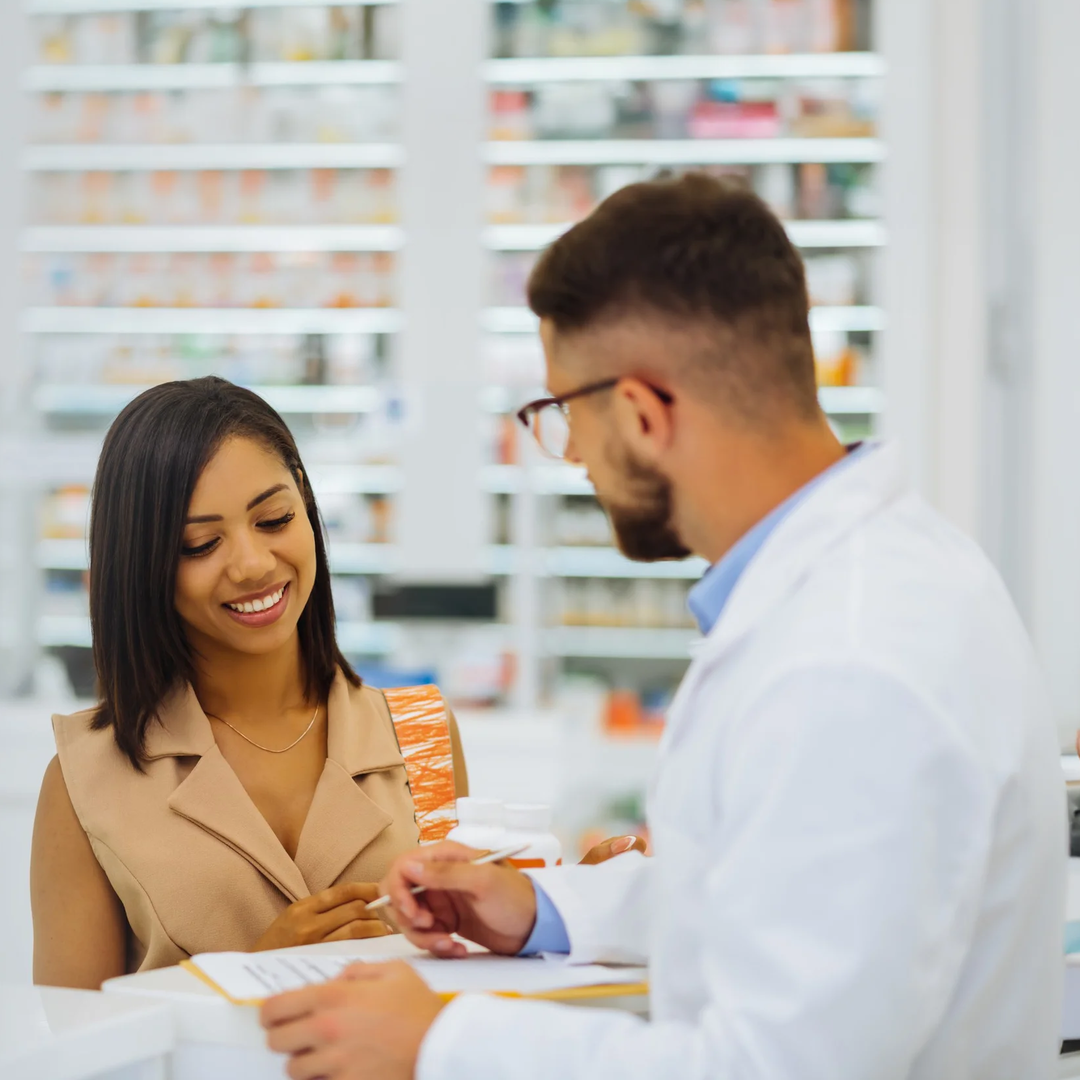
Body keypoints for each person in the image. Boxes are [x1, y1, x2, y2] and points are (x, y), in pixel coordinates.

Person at [260, 174, 1067, 1080]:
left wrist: (442, 1044)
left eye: (565, 418)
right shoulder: (886, 575)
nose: (575, 463)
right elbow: (781, 896)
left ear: (642, 414)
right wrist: (540, 909)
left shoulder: (849, 657)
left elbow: (779, 1065)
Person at [30, 377, 472, 989]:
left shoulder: (422, 731)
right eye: (201, 543)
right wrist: (250, 978)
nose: (252, 564)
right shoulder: (86, 779)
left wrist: (557, 912)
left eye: (274, 519)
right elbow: (73, 1046)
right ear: (142, 564)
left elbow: (466, 969)